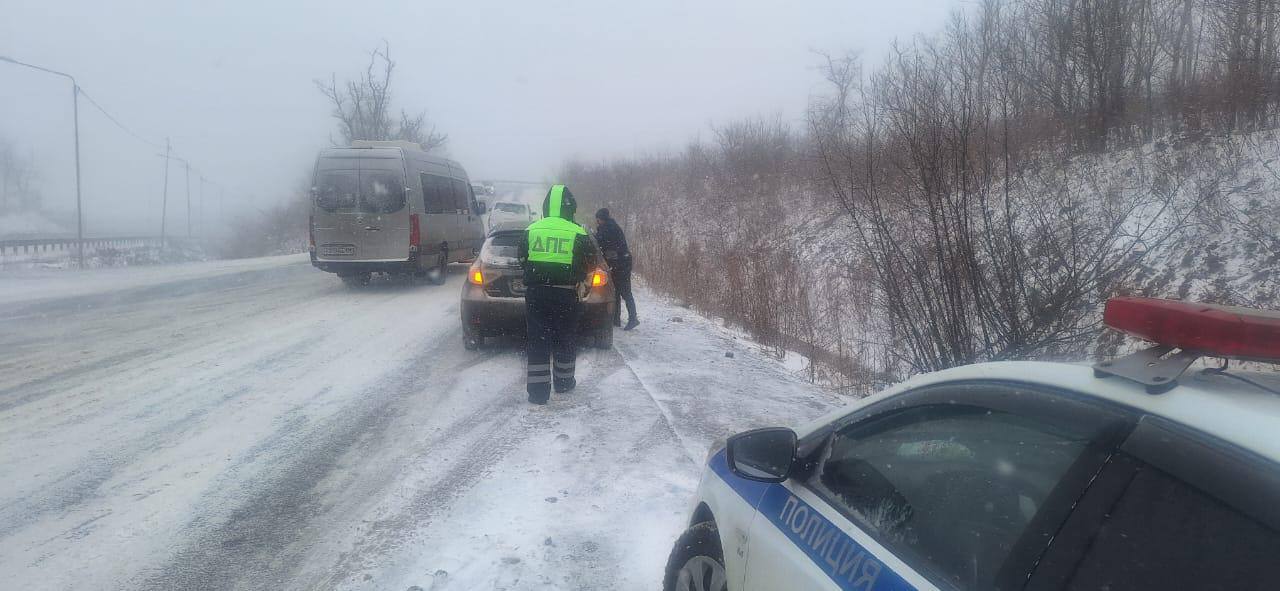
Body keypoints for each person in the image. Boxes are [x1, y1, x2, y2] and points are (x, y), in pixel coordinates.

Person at [518, 185, 593, 405]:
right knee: (565, 338)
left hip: (536, 294)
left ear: (546, 206)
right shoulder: (578, 232)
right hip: (567, 296)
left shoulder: (532, 229)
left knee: (538, 341)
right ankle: (564, 382)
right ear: (570, 208)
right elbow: (589, 263)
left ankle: (538, 393)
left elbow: (522, 258)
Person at [594, 208, 639, 330]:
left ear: (601, 219)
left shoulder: (607, 229)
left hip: (621, 263)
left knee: (624, 291)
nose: (597, 222)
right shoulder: (611, 226)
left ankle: (633, 318)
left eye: (598, 219)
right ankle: (616, 319)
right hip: (621, 261)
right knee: (616, 291)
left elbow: (598, 242)